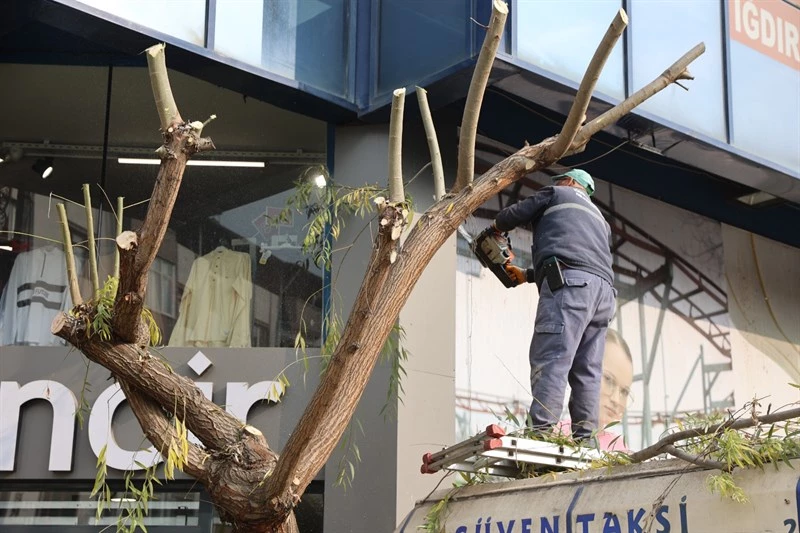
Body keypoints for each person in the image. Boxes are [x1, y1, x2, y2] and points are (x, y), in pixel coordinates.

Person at [493, 168, 616, 443]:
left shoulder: (557, 193)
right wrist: (527, 275)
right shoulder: (600, 220)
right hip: (603, 295)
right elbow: (581, 258)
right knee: (588, 371)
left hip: (571, 288)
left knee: (553, 358)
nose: (558, 183)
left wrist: (496, 229)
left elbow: (513, 214)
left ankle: (541, 433)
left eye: (561, 180)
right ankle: (586, 440)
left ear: (571, 182)